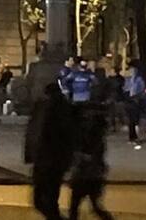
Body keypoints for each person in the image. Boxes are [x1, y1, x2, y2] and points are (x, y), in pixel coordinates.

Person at [27, 83, 73, 220]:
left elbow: (36, 134)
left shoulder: (50, 109)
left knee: (42, 201)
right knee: (49, 201)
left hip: (48, 161)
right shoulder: (55, 108)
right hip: (52, 161)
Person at [69, 108, 113, 220]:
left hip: (86, 175)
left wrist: (77, 157)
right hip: (94, 176)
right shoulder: (98, 139)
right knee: (94, 207)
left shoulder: (91, 138)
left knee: (75, 207)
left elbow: (89, 157)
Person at [121, 64, 146, 149]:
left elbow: (141, 90)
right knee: (131, 120)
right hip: (129, 100)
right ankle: (132, 137)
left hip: (136, 101)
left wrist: (136, 97)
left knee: (136, 119)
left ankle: (137, 137)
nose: (130, 72)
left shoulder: (139, 80)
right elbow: (125, 89)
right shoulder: (128, 80)